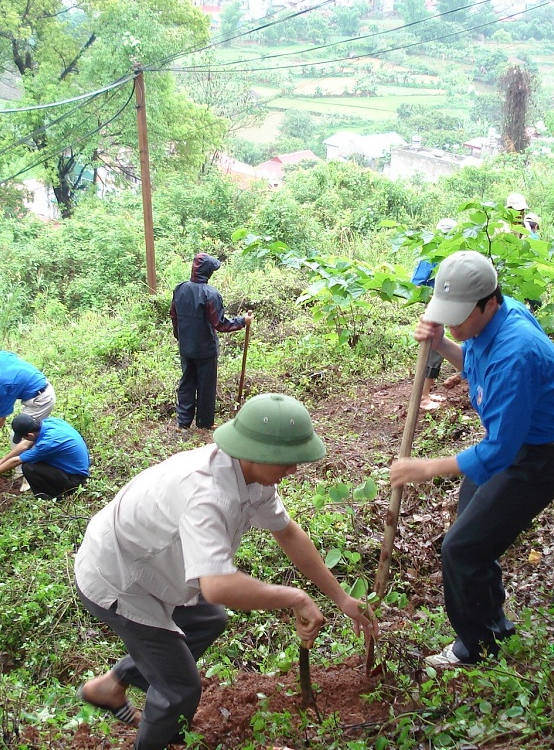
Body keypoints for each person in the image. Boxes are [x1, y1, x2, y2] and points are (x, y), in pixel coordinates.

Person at [74, 393, 378, 749]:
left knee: (208, 621)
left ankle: (111, 687)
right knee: (180, 688)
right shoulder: (207, 493)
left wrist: (341, 597)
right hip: (119, 578)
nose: (293, 469)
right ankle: (158, 737)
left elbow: (288, 533)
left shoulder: (252, 476)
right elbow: (217, 586)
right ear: (254, 452)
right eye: (287, 460)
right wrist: (294, 597)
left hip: (152, 565)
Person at [390, 251, 554, 667]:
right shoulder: (494, 321)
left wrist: (426, 468)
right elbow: (478, 367)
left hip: (540, 458)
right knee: (472, 533)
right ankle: (493, 623)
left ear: (489, 302)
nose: (455, 325)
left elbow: (500, 450)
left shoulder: (516, 351)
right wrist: (442, 341)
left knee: (461, 549)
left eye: (459, 318)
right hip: (519, 444)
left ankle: (479, 646)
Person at [169, 252, 252, 431]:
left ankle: (183, 423)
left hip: (186, 347)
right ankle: (205, 423)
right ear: (208, 272)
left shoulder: (180, 288)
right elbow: (220, 323)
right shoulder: (210, 294)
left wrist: (180, 337)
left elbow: (174, 316)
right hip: (206, 348)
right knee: (206, 385)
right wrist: (242, 321)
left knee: (187, 382)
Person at [0, 414, 90, 499]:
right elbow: (25, 444)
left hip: (75, 479)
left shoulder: (46, 444)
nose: (24, 440)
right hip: (73, 467)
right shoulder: (50, 422)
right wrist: (2, 461)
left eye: (24, 437)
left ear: (30, 434)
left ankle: (53, 497)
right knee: (32, 462)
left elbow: (17, 461)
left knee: (28, 467)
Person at [411, 218, 459, 412]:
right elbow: (417, 284)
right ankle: (422, 398)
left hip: (452, 305)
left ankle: (425, 394)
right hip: (437, 307)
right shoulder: (432, 253)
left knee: (438, 348)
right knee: (432, 349)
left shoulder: (452, 253)